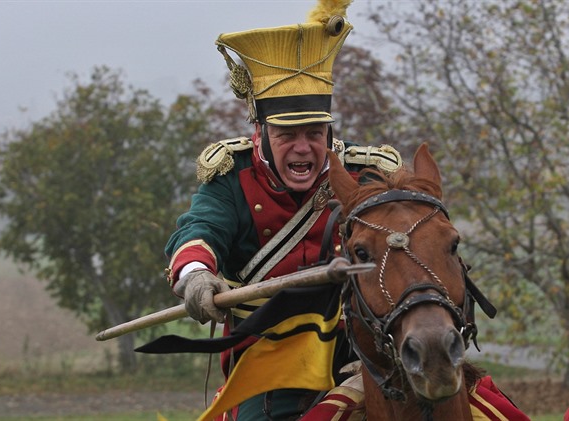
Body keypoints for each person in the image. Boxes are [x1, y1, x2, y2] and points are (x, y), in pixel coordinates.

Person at [162, 1, 400, 420]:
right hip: (270, 368)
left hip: (366, 358)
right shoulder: (231, 178)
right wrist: (196, 276)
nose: (304, 147)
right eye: (287, 134)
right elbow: (198, 233)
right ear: (261, 132)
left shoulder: (367, 174)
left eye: (315, 133)